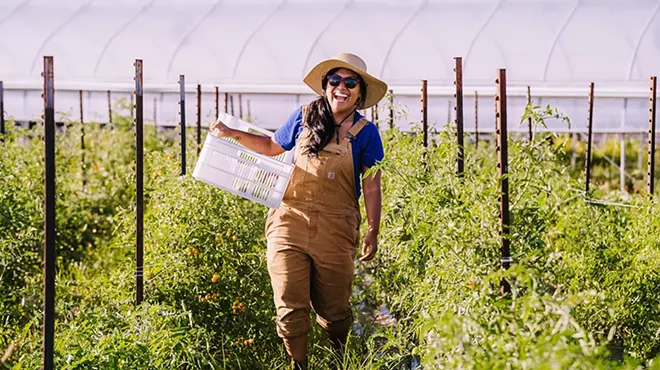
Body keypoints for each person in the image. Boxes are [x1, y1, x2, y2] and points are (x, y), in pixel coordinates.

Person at [210, 52, 386, 369]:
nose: (341, 87)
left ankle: (338, 357)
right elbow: (270, 147)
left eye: (350, 82)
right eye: (335, 80)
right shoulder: (304, 117)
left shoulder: (366, 133)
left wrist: (372, 230)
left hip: (337, 228)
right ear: (325, 85)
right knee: (289, 304)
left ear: (359, 92)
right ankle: (298, 365)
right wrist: (233, 133)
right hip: (289, 221)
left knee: (334, 310)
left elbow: (371, 184)